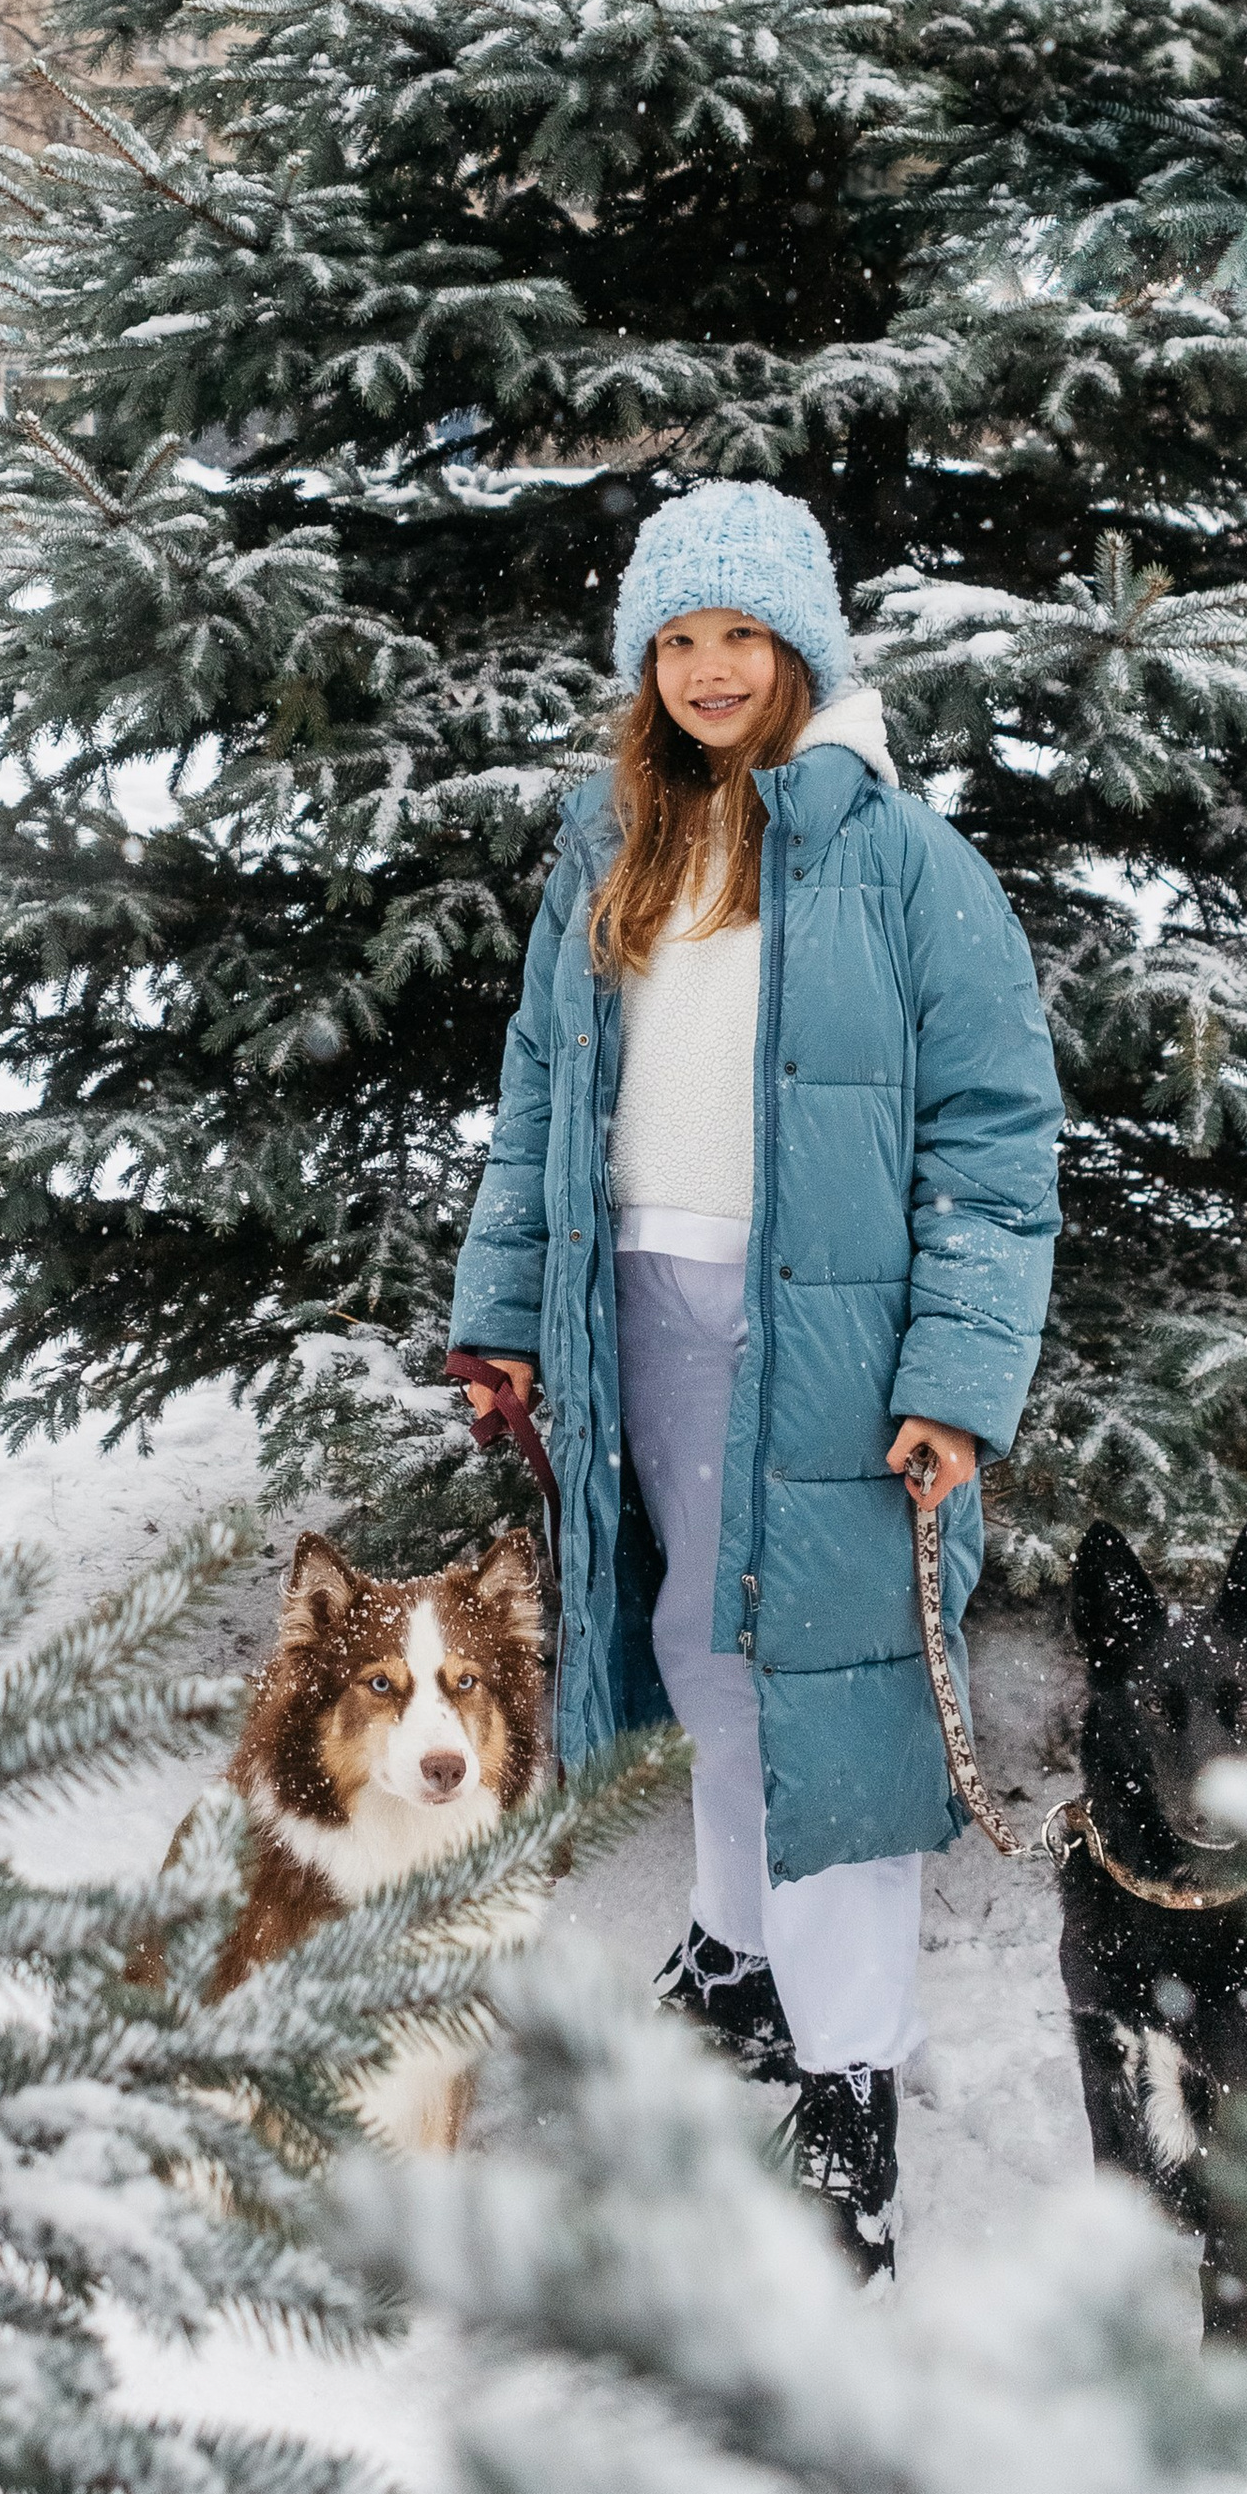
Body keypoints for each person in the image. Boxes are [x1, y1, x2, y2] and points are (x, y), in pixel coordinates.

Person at [448, 482, 1064, 2273]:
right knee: (701, 1655)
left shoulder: (901, 862)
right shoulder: (610, 843)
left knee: (837, 1700)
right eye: (682, 639)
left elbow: (999, 1144)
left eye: (744, 635)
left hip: (830, 1341)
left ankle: (852, 2079)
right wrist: (503, 1314)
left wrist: (955, 1377)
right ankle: (736, 1949)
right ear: (648, 662)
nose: (714, 670)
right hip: (632, 1302)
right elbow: (544, 1103)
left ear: (803, 647)